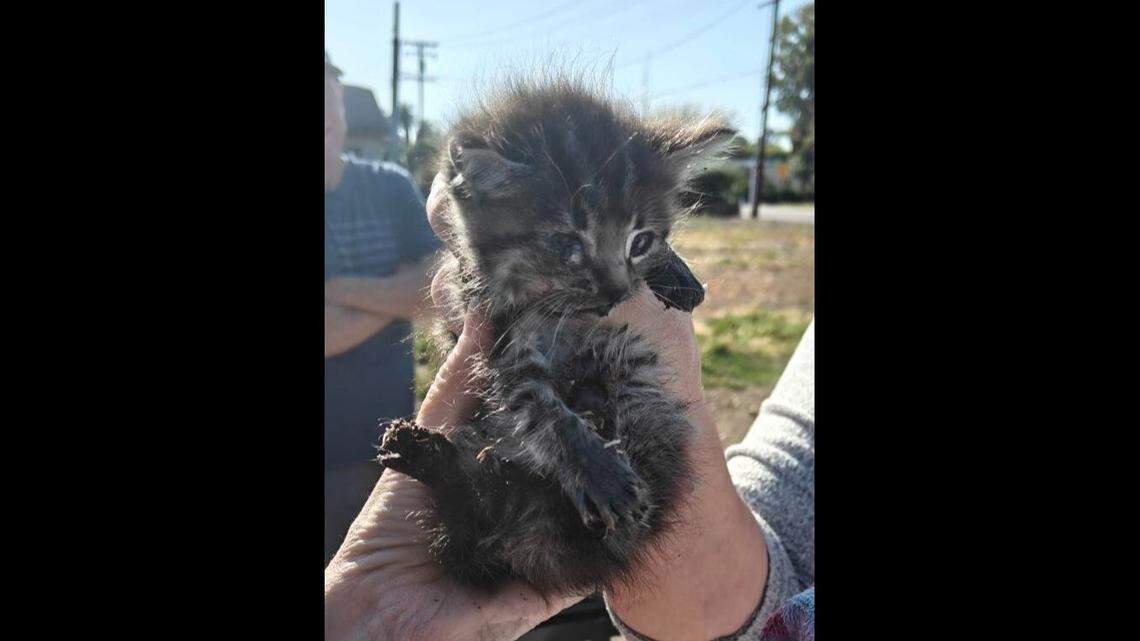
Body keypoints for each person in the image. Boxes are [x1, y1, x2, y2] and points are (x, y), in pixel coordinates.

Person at [323, 174, 815, 641]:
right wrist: (373, 615)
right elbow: (785, 522)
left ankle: (475, 486)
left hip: (536, 506)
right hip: (539, 505)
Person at [323, 52, 440, 565]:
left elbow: (437, 288)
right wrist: (398, 296)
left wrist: (338, 288)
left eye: (327, 94)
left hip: (395, 447)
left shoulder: (389, 186)